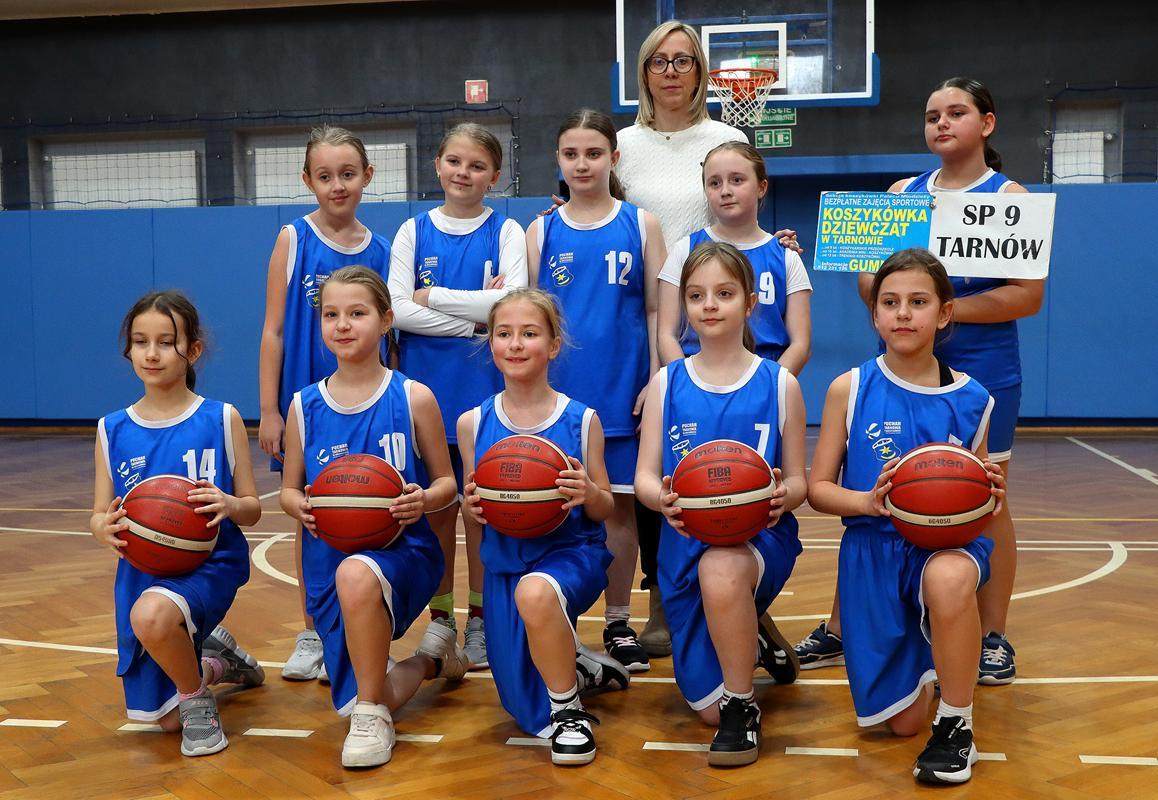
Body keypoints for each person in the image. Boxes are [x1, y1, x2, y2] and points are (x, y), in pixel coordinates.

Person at [800, 78, 1039, 685]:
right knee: (877, 489)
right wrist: (917, 305)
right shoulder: (901, 194)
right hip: (901, 364)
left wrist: (943, 309)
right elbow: (868, 282)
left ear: (987, 123)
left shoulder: (1009, 196)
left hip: (985, 366)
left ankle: (993, 635)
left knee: (987, 495)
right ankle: (842, 626)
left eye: (956, 113)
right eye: (933, 115)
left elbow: (1027, 296)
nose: (942, 123)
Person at [613, 21, 801, 656]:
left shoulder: (726, 138)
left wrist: (778, 249)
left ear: (700, 70)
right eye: (659, 61)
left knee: (742, 467)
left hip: (721, 309)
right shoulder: (622, 146)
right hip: (651, 314)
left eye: (684, 60)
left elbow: (743, 214)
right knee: (666, 463)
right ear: (644, 72)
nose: (671, 71)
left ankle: (746, 593)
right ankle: (665, 599)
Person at [809, 248, 1006, 784]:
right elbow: (818, 489)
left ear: (944, 313)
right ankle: (936, 659)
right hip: (873, 551)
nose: (902, 313)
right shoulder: (849, 388)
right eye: (889, 302)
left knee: (948, 578)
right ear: (874, 314)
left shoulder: (974, 399)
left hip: (946, 547)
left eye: (918, 302)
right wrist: (866, 501)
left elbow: (984, 502)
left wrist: (989, 492)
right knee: (901, 725)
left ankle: (957, 724)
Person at [279, 266, 468, 768]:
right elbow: (288, 492)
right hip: (329, 560)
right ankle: (432, 660)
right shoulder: (303, 406)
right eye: (331, 315)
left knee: (358, 575)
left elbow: (447, 485)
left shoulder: (413, 396)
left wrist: (422, 500)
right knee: (372, 687)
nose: (342, 325)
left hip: (403, 552)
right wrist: (299, 505)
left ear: (386, 320)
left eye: (357, 313)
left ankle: (370, 715)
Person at [635, 242, 805, 767]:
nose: (709, 305)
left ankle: (742, 706)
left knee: (722, 567)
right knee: (704, 709)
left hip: (758, 539)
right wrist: (661, 498)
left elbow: (799, 481)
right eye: (696, 295)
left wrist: (784, 495)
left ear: (750, 303)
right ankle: (747, 630)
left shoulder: (780, 383)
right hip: (684, 543)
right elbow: (643, 478)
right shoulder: (667, 382)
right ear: (683, 306)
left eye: (724, 293)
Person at [459, 288, 629, 766]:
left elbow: (605, 507)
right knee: (524, 709)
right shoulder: (473, 423)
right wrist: (475, 506)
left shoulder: (582, 419)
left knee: (537, 595)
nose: (515, 344)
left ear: (553, 345)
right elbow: (474, 513)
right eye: (504, 334)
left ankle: (570, 712)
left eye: (529, 333)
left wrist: (588, 493)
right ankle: (580, 665)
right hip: (506, 563)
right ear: (490, 343)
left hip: (570, 554)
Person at [91, 291, 264, 757]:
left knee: (152, 616)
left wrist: (229, 502)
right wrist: (102, 527)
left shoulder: (220, 417)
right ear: (128, 350)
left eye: (166, 342)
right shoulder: (112, 429)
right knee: (164, 722)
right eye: (140, 342)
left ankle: (196, 698)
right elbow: (98, 512)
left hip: (209, 563)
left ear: (193, 350)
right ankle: (215, 664)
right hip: (143, 570)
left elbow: (252, 508)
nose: (151, 353)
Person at [527, 109, 666, 673]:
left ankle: (617, 622)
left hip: (623, 389)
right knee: (552, 505)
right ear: (558, 160)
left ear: (614, 157)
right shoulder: (542, 230)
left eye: (593, 153)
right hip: (558, 398)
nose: (582, 164)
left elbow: (657, 310)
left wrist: (656, 379)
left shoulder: (642, 224)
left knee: (620, 510)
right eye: (571, 154)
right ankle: (555, 620)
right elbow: (530, 317)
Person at [388, 123, 528, 668]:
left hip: (487, 396)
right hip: (426, 395)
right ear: (438, 164)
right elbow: (397, 310)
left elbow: (514, 304)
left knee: (483, 513)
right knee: (437, 511)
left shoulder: (507, 230)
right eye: (454, 161)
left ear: (495, 176)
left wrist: (436, 298)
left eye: (476, 166)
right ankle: (441, 619)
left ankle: (482, 621)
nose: (463, 173)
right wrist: (474, 320)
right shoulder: (412, 231)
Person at [258, 126, 392, 683]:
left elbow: (393, 333)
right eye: (325, 176)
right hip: (307, 404)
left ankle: (364, 629)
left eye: (347, 174)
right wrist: (269, 409)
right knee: (311, 512)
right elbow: (273, 330)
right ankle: (311, 631)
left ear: (367, 176)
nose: (337, 185)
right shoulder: (294, 238)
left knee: (363, 507)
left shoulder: (382, 250)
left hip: (365, 404)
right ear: (307, 180)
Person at [657, 140, 812, 374]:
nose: (725, 191)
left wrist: (769, 385)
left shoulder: (785, 257)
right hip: (696, 374)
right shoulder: (685, 250)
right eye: (714, 183)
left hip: (766, 376)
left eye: (737, 180)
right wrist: (685, 382)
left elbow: (800, 344)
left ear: (761, 187)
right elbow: (666, 334)